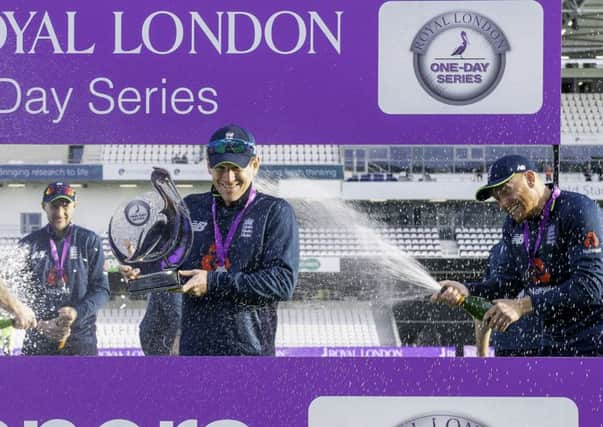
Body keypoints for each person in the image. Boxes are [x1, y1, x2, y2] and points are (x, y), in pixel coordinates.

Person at [123, 124, 300, 355]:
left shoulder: (274, 211)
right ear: (208, 166)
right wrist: (143, 269)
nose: (228, 177)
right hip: (195, 353)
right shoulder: (191, 207)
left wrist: (213, 283)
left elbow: (283, 283)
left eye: (236, 168)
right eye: (220, 168)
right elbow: (172, 268)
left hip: (251, 356)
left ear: (254, 164)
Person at [434, 154, 603, 356]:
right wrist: (467, 290)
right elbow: (507, 284)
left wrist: (522, 306)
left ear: (530, 178)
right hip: (551, 343)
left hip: (592, 342)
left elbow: (590, 286)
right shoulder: (513, 225)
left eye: (506, 191)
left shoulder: (578, 210)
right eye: (497, 198)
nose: (502, 204)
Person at [18, 182, 110, 355]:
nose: (60, 213)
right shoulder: (28, 244)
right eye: (54, 206)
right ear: (44, 206)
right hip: (39, 337)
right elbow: (18, 294)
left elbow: (102, 290)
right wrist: (39, 323)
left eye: (65, 205)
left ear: (75, 205)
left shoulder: (89, 241)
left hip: (81, 340)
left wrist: (76, 312)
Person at [475, 241, 550, 356]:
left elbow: (484, 306)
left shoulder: (500, 249)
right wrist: (482, 354)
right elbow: (484, 306)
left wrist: (482, 354)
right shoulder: (500, 249)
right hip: (543, 343)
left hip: (513, 344)